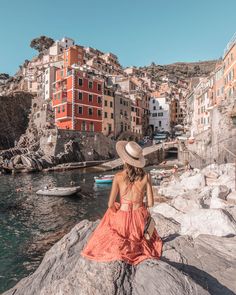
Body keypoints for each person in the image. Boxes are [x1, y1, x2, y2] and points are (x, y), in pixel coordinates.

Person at [81, 141, 162, 265]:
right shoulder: (146, 176)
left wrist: (119, 208)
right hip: (139, 221)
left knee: (110, 212)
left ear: (125, 160)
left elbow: (110, 204)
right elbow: (150, 203)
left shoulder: (118, 176)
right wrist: (141, 205)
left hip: (122, 220)